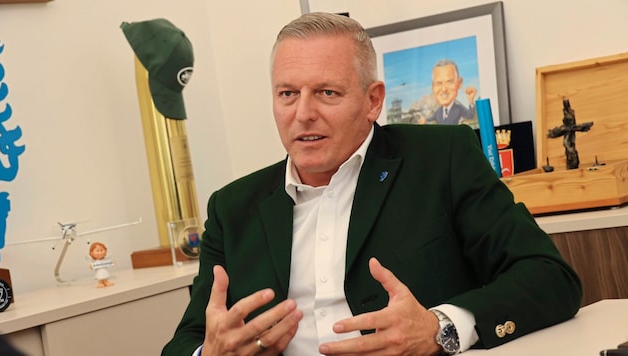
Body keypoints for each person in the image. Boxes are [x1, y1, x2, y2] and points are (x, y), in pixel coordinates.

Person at [162, 12, 581, 356]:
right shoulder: (232, 208)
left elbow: (549, 277)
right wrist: (210, 353)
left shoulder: (442, 159)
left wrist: (440, 327)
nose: (302, 113)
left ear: (373, 100)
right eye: (287, 94)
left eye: (326, 92)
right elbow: (185, 341)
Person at [427, 59, 477, 125]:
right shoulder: (438, 112)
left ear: (459, 83)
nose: (444, 89)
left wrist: (471, 101)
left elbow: (470, 116)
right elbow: (429, 119)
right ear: (433, 86)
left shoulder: (459, 108)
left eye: (449, 82)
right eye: (439, 83)